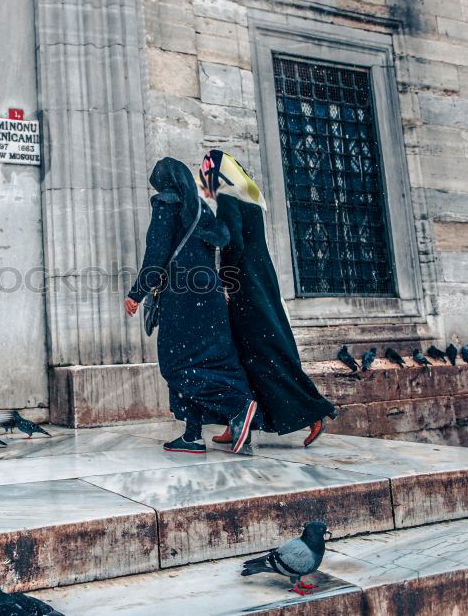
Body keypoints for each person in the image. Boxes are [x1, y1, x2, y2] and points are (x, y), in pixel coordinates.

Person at [198, 150, 336, 447]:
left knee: (260, 353)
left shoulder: (227, 199)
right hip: (259, 281)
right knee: (254, 353)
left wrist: (224, 282)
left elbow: (232, 243)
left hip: (246, 286)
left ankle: (311, 411)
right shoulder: (248, 198)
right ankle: (240, 423)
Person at [124, 157, 257, 454]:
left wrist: (137, 293)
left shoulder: (166, 204)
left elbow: (156, 256)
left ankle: (237, 406)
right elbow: (220, 245)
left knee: (177, 364)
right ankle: (194, 434)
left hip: (182, 296)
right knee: (214, 358)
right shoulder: (201, 210)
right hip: (210, 296)